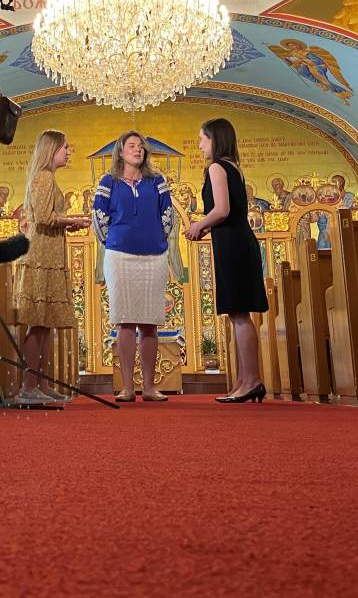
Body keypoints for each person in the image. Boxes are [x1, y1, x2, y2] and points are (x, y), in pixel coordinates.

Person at [186, 119, 268, 404]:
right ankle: (243, 381)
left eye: (202, 139)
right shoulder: (233, 166)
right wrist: (207, 227)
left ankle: (252, 381)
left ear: (215, 139)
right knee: (238, 314)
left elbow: (222, 210)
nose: (199, 145)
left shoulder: (217, 167)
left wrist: (199, 225)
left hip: (233, 243)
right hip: (235, 240)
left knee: (240, 314)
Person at [92, 131, 173, 402]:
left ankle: (149, 387)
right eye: (132, 146)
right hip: (119, 257)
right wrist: (115, 241)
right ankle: (127, 387)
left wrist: (155, 238)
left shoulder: (157, 181)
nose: (138, 150)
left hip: (154, 256)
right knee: (125, 321)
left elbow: (167, 214)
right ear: (121, 151)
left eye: (141, 146)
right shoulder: (109, 181)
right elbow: (98, 216)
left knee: (150, 322)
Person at [14, 131, 88, 405]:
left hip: (50, 250)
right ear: (52, 149)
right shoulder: (43, 177)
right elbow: (44, 217)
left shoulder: (48, 177)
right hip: (41, 252)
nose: (69, 151)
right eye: (65, 147)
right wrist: (72, 221)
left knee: (45, 323)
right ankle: (28, 387)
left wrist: (70, 221)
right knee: (38, 322)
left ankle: (41, 385)